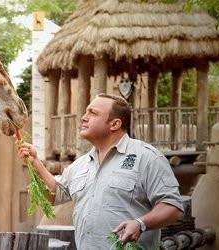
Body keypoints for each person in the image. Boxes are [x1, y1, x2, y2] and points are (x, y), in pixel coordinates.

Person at [17, 93, 183, 249]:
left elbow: (173, 207)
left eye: (93, 113)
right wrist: (35, 162)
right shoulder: (80, 164)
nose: (84, 117)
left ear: (115, 124)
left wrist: (141, 223)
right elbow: (54, 195)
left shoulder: (147, 157)